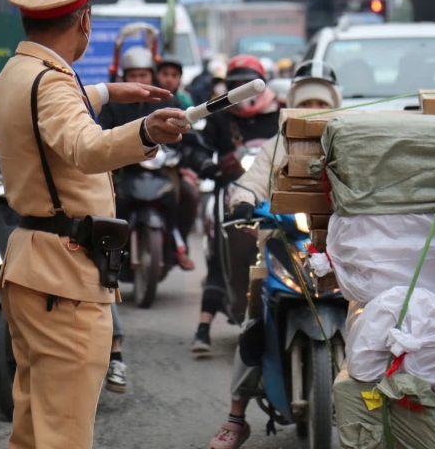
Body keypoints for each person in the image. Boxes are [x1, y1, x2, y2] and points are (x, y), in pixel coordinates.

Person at [0, 0, 189, 449]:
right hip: (64, 277)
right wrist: (145, 132)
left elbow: (47, 114)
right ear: (83, 21)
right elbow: (81, 145)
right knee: (66, 436)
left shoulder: (19, 72)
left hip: (32, 266)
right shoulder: (53, 82)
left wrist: (103, 92)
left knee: (34, 429)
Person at [207, 64, 342, 449]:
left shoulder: (350, 140)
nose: (313, 109)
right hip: (284, 243)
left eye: (321, 102)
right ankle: (236, 417)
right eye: (306, 102)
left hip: (340, 247)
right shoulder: (277, 145)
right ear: (292, 106)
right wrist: (242, 202)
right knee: (254, 324)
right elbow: (249, 183)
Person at [0, 138, 134, 396]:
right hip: (14, 217)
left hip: (65, 220)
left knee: (95, 271)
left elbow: (94, 165)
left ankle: (114, 352)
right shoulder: (6, 131)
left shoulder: (68, 127)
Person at [191, 55, 280, 355]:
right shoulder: (217, 115)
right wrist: (209, 164)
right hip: (229, 192)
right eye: (236, 84)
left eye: (248, 83)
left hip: (275, 193)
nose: (243, 89)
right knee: (221, 246)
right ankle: (203, 326)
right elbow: (198, 147)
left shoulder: (279, 113)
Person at [99, 46, 196, 271]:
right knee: (100, 196)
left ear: (152, 76)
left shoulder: (167, 100)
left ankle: (179, 245)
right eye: (133, 76)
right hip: (123, 169)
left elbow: (184, 132)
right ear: (124, 77)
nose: (138, 80)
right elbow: (101, 133)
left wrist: (186, 154)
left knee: (189, 193)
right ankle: (105, 248)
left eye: (143, 75)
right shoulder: (112, 103)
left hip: (161, 168)